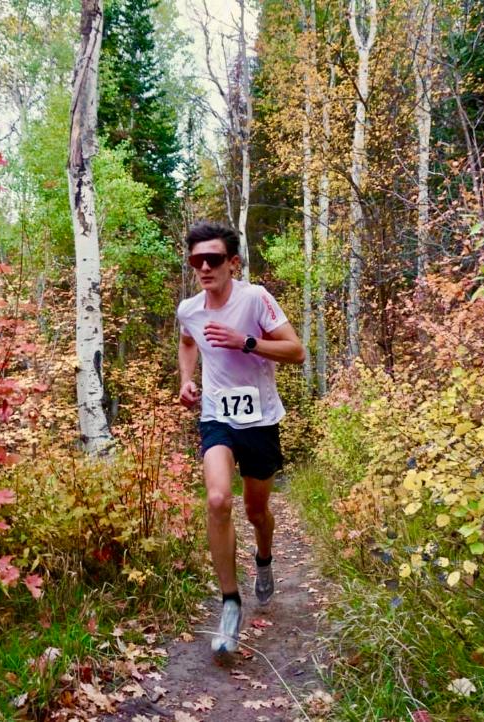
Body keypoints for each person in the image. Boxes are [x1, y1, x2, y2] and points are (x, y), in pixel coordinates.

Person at [176, 221, 306, 654]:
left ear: (233, 262)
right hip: (217, 416)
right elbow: (187, 341)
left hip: (261, 419)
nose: (205, 267)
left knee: (256, 511)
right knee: (217, 500)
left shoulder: (256, 299)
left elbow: (296, 351)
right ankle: (230, 603)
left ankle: (264, 558)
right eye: (197, 260)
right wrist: (187, 381)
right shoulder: (189, 309)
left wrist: (245, 341)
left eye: (214, 259)